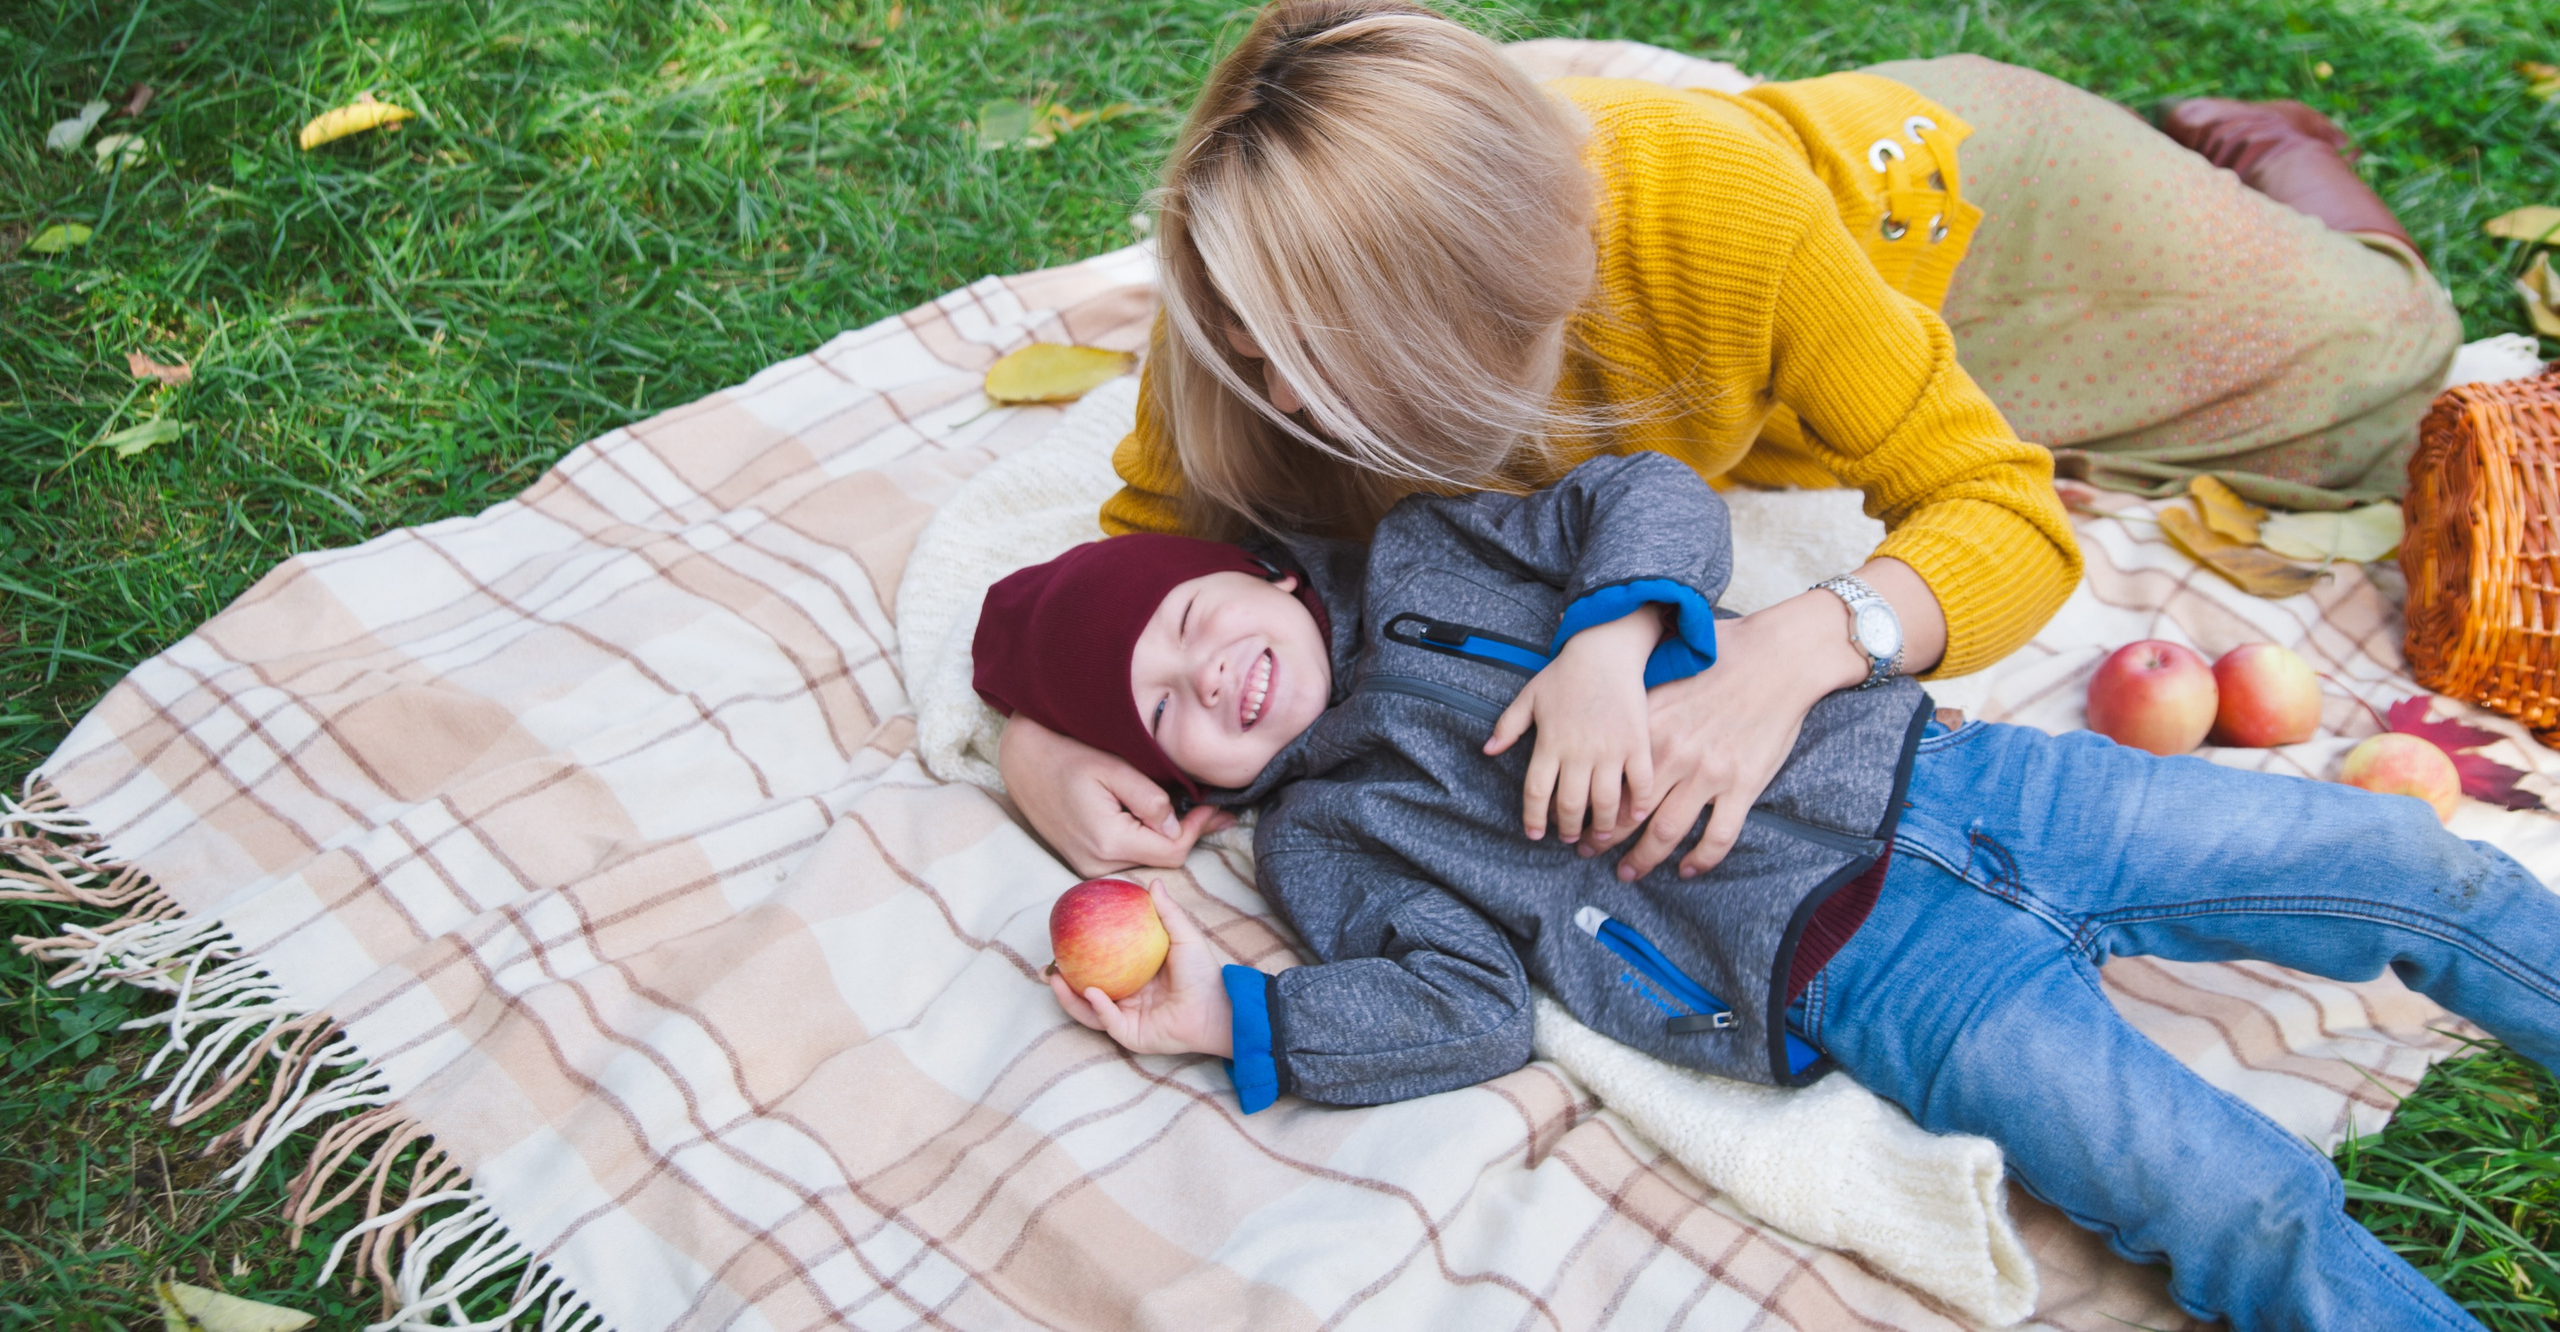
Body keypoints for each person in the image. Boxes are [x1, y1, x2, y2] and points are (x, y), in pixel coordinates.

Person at [972, 453, 2544, 1332]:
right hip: (1870, 975)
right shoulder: (1331, 840)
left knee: (2412, 868)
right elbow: (1456, 1007)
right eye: (1166, 705)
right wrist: (1234, 1014)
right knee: (2237, 1202)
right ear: (1193, 786)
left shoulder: (1434, 551)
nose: (1209, 673)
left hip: (1969, 780)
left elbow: (1646, 493)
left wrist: (1607, 636)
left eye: (1185, 622)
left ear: (1252, 573)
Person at [1000, 0, 2461, 880]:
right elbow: (1136, 558)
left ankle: (2278, 152)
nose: (1294, 408)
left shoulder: (1704, 205)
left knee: (2400, 373)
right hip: (1823, 357)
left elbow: (2005, 513)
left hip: (1975, 221)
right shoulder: (1254, 302)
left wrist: (1798, 647)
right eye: (1265, 357)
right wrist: (1037, 739)